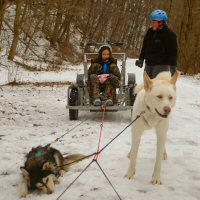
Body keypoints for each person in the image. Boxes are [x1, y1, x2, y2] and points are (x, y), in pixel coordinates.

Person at [135, 9, 178, 78]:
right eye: (152, 21)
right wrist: (141, 59)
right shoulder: (150, 31)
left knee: (157, 87)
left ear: (161, 23)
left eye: (154, 22)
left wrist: (173, 66)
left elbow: (173, 52)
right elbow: (145, 46)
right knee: (147, 87)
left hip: (162, 66)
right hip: (148, 64)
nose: (152, 24)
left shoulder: (169, 34)